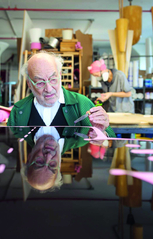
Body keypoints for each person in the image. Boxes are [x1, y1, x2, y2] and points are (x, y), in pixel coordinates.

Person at [7, 51, 116, 191]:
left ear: (60, 75)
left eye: (53, 79)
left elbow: (111, 136)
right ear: (29, 83)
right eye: (40, 82)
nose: (49, 89)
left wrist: (103, 132)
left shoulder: (81, 103)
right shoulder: (18, 110)